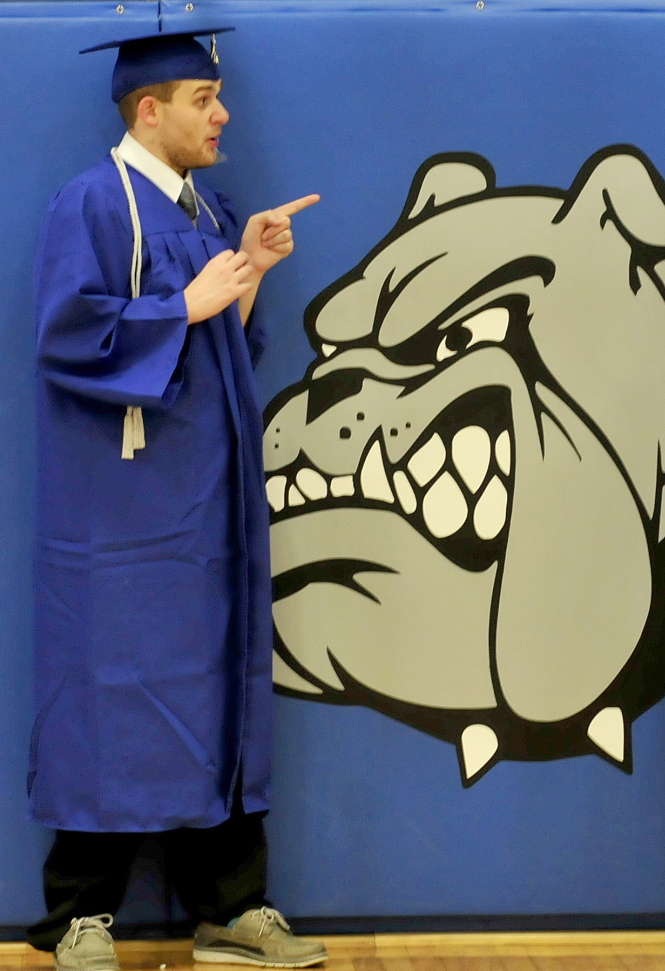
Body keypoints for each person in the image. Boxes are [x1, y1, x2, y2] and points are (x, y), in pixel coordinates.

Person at [28, 28, 324, 971]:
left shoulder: (206, 209)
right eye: (205, 96)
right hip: (121, 515)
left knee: (217, 688)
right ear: (149, 109)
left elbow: (219, 353)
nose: (223, 112)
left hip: (210, 506)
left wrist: (247, 275)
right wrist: (185, 305)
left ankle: (232, 907)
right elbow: (68, 338)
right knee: (110, 695)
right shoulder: (92, 202)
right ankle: (81, 914)